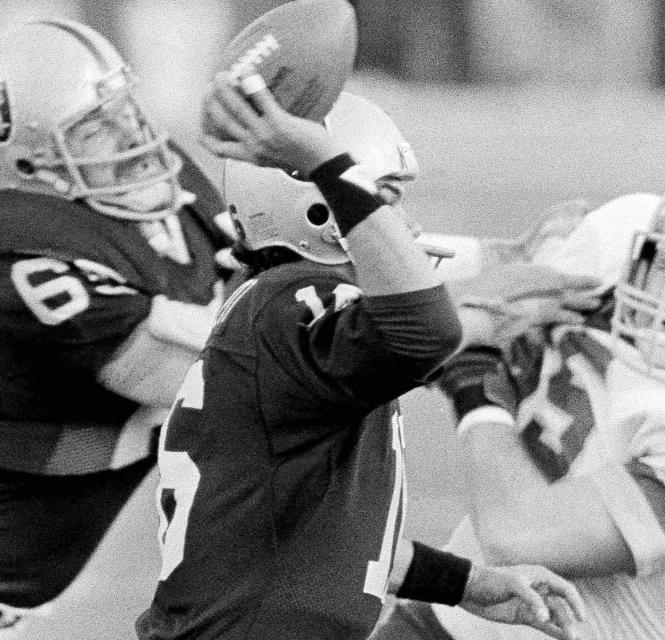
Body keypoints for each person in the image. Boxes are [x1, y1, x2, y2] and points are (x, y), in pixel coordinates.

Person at [136, 74, 586, 640]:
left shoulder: (285, 316)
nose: (404, 225)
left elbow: (336, 541)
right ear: (321, 210)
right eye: (384, 199)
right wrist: (327, 161)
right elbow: (423, 331)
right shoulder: (293, 302)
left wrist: (468, 585)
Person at [0, 19, 233, 640]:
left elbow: (269, 283)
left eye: (124, 111)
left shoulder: (174, 194)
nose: (131, 138)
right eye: (94, 129)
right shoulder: (11, 241)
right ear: (33, 163)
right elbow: (187, 378)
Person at [369, 170, 665, 640]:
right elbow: (427, 293)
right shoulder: (615, 247)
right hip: (442, 620)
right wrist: (505, 272)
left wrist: (476, 388)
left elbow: (518, 536)